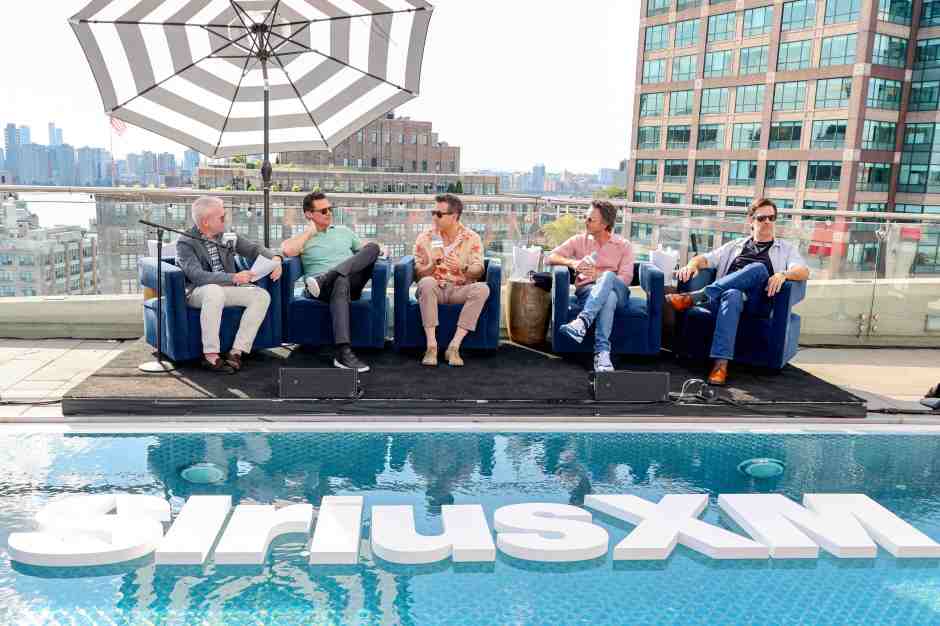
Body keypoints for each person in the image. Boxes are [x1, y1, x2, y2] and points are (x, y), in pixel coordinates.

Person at [666, 198, 810, 386]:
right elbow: (705, 259)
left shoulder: (785, 249)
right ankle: (720, 365)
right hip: (725, 300)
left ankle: (698, 297)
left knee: (758, 268)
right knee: (732, 294)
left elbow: (803, 271)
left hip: (757, 303)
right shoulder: (735, 246)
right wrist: (692, 264)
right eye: (762, 218)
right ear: (751, 221)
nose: (767, 222)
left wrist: (783, 274)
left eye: (771, 218)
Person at [176, 196, 282, 374]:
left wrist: (276, 259)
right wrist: (234, 277)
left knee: (261, 296)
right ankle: (210, 355)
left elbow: (254, 248)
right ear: (206, 222)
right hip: (199, 292)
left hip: (227, 289)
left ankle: (237, 352)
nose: (226, 220)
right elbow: (197, 276)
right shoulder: (185, 242)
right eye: (222, 217)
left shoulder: (226, 235)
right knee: (214, 292)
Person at [281, 191, 381, 373]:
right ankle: (343, 352)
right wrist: (310, 233)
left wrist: (383, 252)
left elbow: (364, 253)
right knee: (341, 281)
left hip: (349, 284)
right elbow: (287, 250)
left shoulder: (344, 232)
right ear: (309, 214)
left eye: (330, 209)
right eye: (323, 211)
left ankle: (329, 275)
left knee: (373, 247)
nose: (329, 213)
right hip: (320, 290)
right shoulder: (303, 238)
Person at [548, 200, 635, 372]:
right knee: (607, 298)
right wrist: (572, 262)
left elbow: (625, 279)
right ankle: (602, 354)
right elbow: (550, 257)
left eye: (590, 220)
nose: (585, 222)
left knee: (609, 278)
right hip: (588, 291)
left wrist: (600, 276)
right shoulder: (579, 240)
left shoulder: (623, 245)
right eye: (586, 218)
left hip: (619, 293)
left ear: (604, 225)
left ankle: (582, 321)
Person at [413, 194, 489, 367]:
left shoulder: (472, 238)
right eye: (433, 212)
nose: (434, 217)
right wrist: (432, 265)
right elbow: (418, 273)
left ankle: (454, 346)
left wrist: (462, 267)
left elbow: (479, 271)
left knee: (482, 289)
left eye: (439, 214)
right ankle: (431, 346)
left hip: (459, 289)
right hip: (434, 288)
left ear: (454, 216)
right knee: (426, 283)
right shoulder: (425, 238)